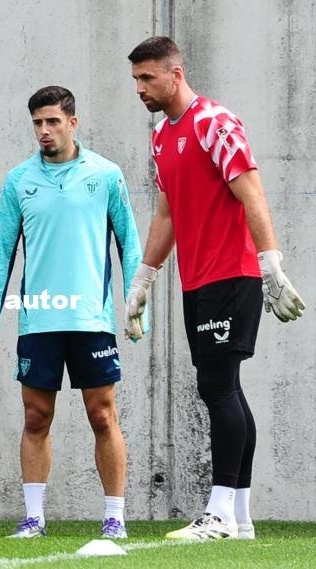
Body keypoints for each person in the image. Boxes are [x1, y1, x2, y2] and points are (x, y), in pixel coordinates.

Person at [126, 36, 305, 540]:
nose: (139, 88)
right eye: (136, 79)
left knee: (216, 386)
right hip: (196, 279)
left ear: (175, 74)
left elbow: (251, 190)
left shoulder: (215, 123)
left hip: (233, 274)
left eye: (148, 78)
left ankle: (221, 511)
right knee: (225, 388)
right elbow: (166, 213)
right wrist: (144, 278)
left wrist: (271, 264)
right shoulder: (161, 137)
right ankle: (240, 515)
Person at [0, 86, 142, 540]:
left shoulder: (106, 174)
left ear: (73, 122)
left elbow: (130, 244)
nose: (44, 131)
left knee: (103, 416)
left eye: (52, 121)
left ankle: (115, 518)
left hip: (91, 320)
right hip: (40, 321)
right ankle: (33, 519)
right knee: (35, 418)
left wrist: (135, 308)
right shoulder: (18, 180)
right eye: (37, 123)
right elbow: (1, 254)